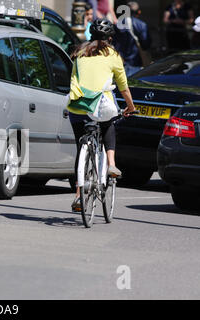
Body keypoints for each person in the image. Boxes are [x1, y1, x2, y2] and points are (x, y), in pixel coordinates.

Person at [68, 18, 136, 212]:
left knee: (81, 146)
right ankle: (112, 164)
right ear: (110, 38)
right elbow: (123, 87)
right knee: (108, 124)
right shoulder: (113, 55)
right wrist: (130, 107)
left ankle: (79, 196)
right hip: (99, 106)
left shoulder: (79, 52)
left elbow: (74, 79)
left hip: (77, 106)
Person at [113, 1, 151, 76]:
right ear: (138, 12)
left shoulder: (117, 24)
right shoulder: (142, 25)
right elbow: (145, 45)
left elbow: (113, 43)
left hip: (120, 61)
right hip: (136, 62)